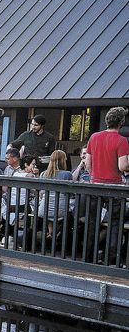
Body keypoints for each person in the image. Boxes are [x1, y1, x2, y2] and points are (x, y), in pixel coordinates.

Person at [84, 107, 129, 265]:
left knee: (92, 223)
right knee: (115, 223)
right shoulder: (122, 140)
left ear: (107, 121)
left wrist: (93, 176)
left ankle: (88, 257)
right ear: (121, 122)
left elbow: (88, 164)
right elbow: (123, 166)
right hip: (114, 188)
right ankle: (110, 259)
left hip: (95, 185)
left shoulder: (94, 137)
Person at [37, 150, 73, 235]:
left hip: (44, 208)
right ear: (63, 160)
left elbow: (41, 194)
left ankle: (51, 234)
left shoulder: (43, 174)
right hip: (61, 210)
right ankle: (57, 236)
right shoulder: (67, 174)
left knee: (50, 218)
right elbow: (71, 194)